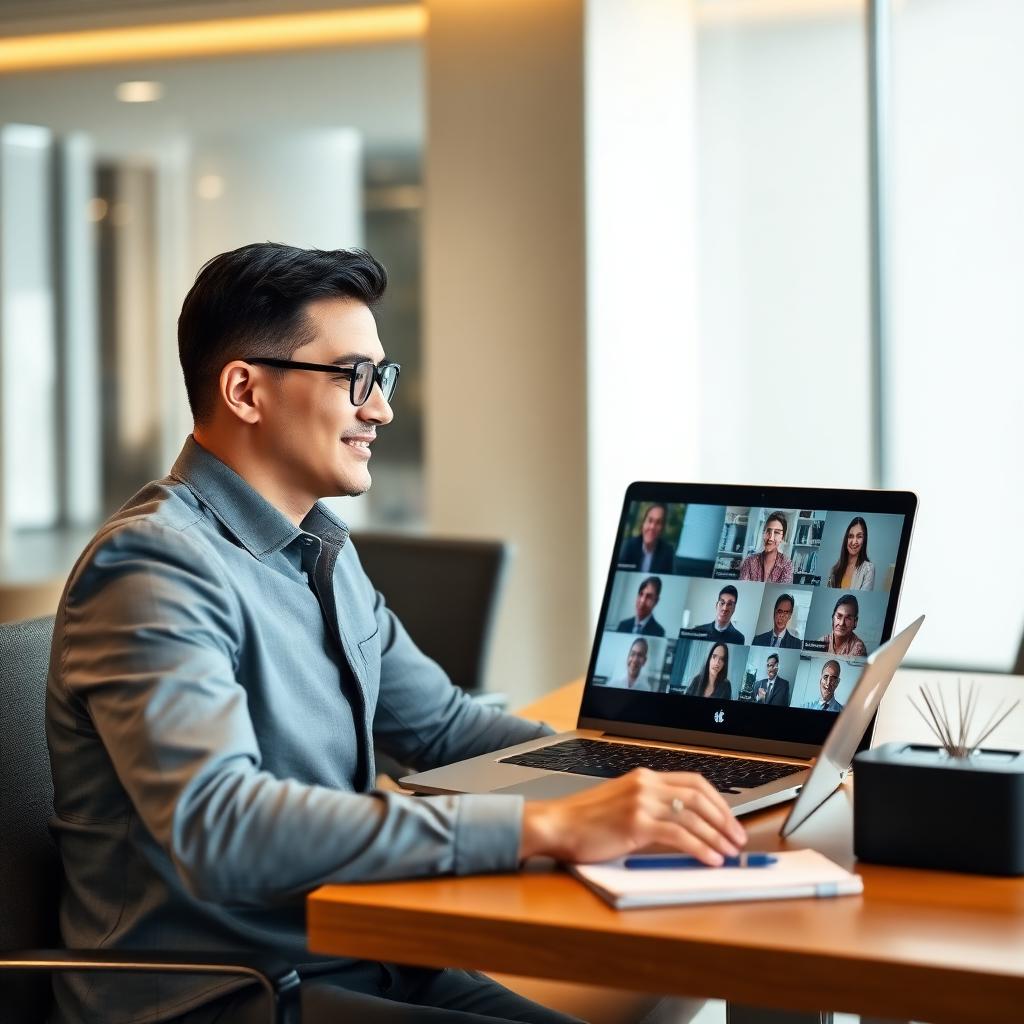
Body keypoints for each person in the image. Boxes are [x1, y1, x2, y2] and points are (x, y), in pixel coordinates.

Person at [45, 244, 747, 1024]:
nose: (379, 408)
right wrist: (543, 824)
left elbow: (446, 728)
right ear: (244, 390)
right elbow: (222, 824)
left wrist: (648, 777)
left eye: (383, 378)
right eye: (354, 378)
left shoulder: (318, 546)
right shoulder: (154, 566)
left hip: (357, 957)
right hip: (225, 995)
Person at [738, 511, 794, 584]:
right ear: (764, 533)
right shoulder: (749, 561)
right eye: (768, 531)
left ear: (782, 538)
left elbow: (783, 593)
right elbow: (743, 588)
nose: (771, 538)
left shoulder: (787, 564)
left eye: (777, 532)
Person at [618, 502, 674, 573]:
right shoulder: (628, 546)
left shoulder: (667, 552)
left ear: (662, 528)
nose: (652, 527)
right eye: (650, 521)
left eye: (658, 523)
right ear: (643, 523)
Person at [827, 516, 876, 590]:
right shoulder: (835, 570)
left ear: (864, 540)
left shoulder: (869, 569)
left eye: (859, 536)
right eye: (850, 536)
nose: (854, 542)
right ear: (846, 539)